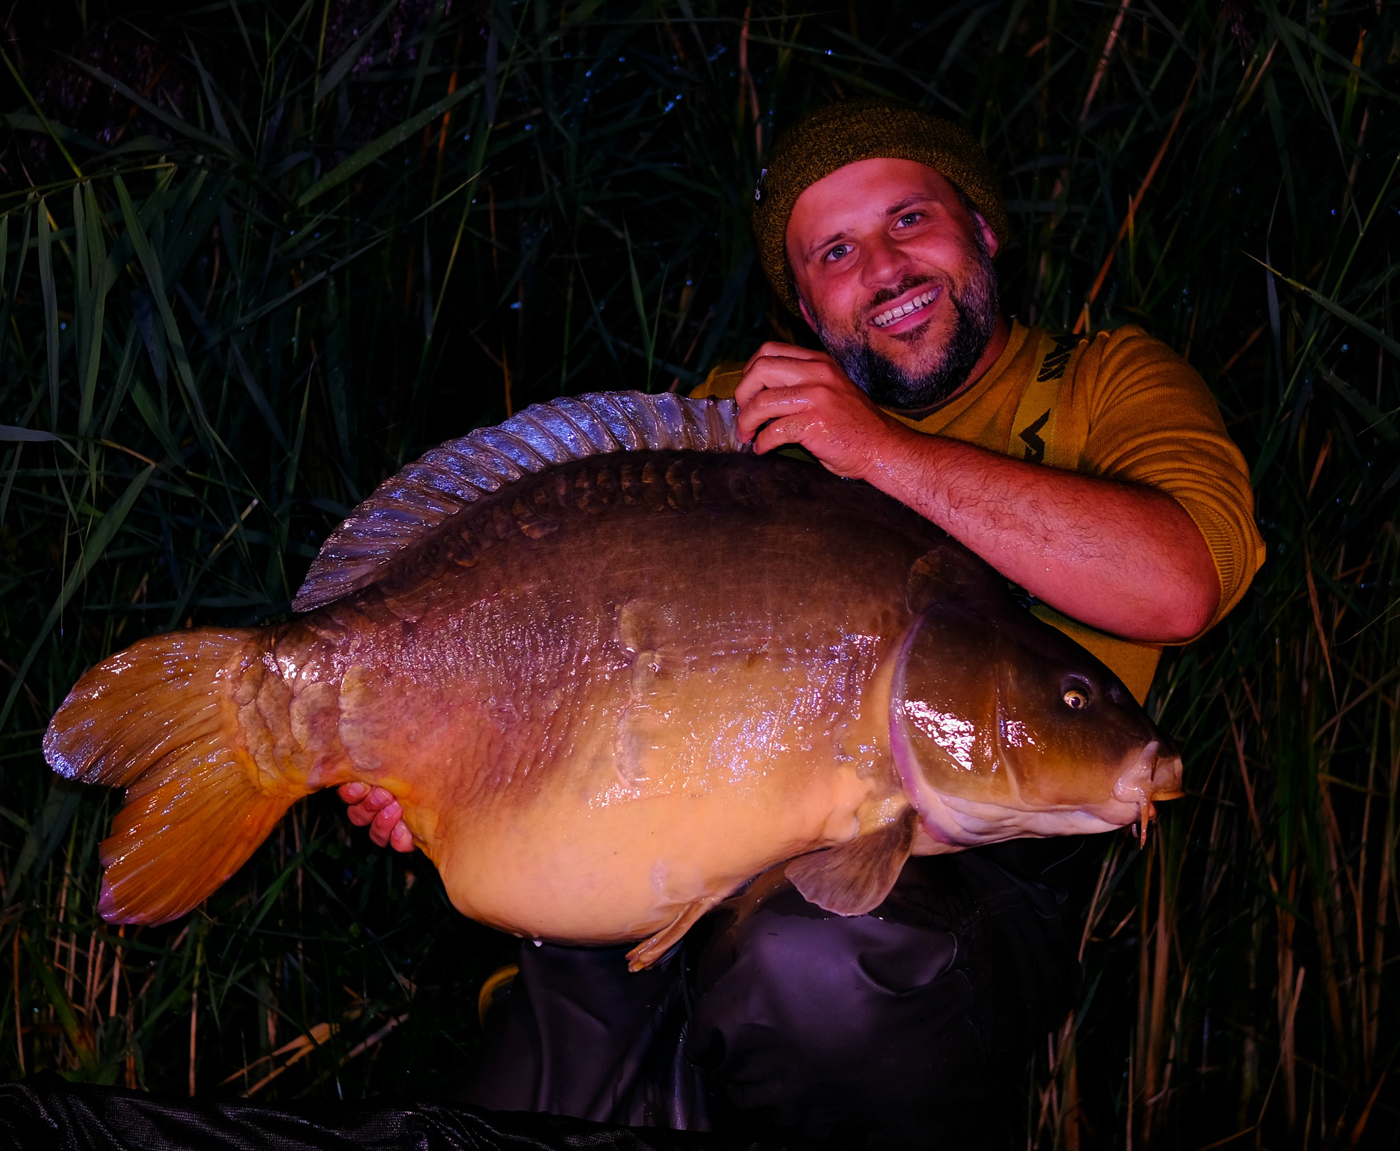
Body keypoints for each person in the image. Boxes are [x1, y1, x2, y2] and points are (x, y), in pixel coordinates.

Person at [340, 99, 1263, 1147]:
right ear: (804, 302)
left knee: (811, 964)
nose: (886, 266)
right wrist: (437, 750)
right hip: (671, 873)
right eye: (836, 249)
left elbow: (1180, 585)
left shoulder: (1106, 382)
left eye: (910, 219)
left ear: (984, 228)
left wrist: (881, 451)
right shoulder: (741, 418)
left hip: (953, 884)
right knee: (506, 1112)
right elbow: (589, 649)